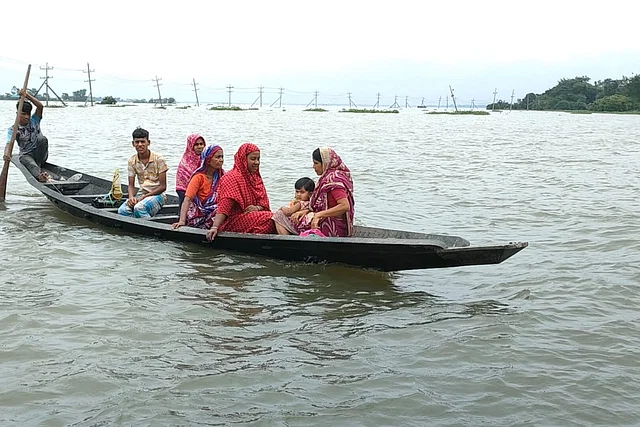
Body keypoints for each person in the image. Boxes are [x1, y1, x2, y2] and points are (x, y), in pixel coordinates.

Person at [273, 147, 354, 237]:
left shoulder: (332, 179)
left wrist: (318, 215)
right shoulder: (332, 176)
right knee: (296, 215)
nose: (313, 166)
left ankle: (289, 243)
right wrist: (305, 211)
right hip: (336, 224)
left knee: (279, 215)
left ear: (325, 163)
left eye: (316, 163)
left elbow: (345, 206)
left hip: (330, 227)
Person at [205, 143, 275, 241]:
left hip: (252, 216)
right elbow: (225, 206)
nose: (257, 162)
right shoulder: (231, 178)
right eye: (253, 159)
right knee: (270, 219)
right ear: (243, 159)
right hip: (232, 220)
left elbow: (264, 203)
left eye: (258, 159)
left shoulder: (255, 178)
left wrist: (257, 208)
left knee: (278, 216)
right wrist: (215, 227)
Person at [118, 127, 168, 219]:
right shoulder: (132, 161)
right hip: (141, 194)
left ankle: (151, 228)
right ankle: (137, 226)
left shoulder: (159, 159)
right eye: (137, 142)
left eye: (142, 142)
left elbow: (163, 187)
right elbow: (131, 185)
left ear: (148, 142)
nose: (140, 145)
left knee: (139, 207)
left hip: (158, 195)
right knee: (122, 211)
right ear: (133, 144)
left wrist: (144, 197)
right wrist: (131, 197)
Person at [171, 144, 224, 229]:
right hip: (199, 214)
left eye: (222, 157)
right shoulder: (198, 178)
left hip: (215, 212)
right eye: (217, 157)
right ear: (208, 160)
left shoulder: (223, 176)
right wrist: (182, 221)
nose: (221, 160)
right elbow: (187, 200)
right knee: (220, 211)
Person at [3, 90, 49, 182]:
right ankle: (40, 176)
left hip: (40, 154)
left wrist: (27, 95)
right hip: (26, 155)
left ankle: (39, 164)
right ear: (18, 114)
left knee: (43, 139)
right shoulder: (13, 129)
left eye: (28, 114)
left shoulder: (35, 120)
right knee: (30, 163)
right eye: (23, 114)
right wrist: (6, 154)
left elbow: (40, 106)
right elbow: (9, 143)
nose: (27, 117)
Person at [176, 133, 206, 210]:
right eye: (196, 145)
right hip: (185, 192)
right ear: (191, 146)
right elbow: (183, 181)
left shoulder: (206, 159)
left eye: (201, 144)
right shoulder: (185, 162)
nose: (199, 147)